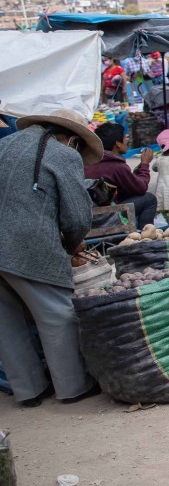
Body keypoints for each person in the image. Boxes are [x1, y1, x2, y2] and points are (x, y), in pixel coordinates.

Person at [0, 109, 102, 407]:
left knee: (7, 323)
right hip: (27, 244)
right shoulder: (62, 154)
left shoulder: (5, 144)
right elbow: (76, 216)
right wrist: (71, 245)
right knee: (57, 314)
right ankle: (73, 387)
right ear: (73, 141)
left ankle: (28, 391)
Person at [86, 123, 157, 228]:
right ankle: (146, 235)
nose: (127, 141)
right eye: (125, 138)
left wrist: (138, 171)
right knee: (149, 199)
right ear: (118, 144)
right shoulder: (116, 166)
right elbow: (141, 188)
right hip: (107, 214)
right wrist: (145, 164)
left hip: (90, 213)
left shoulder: (89, 160)